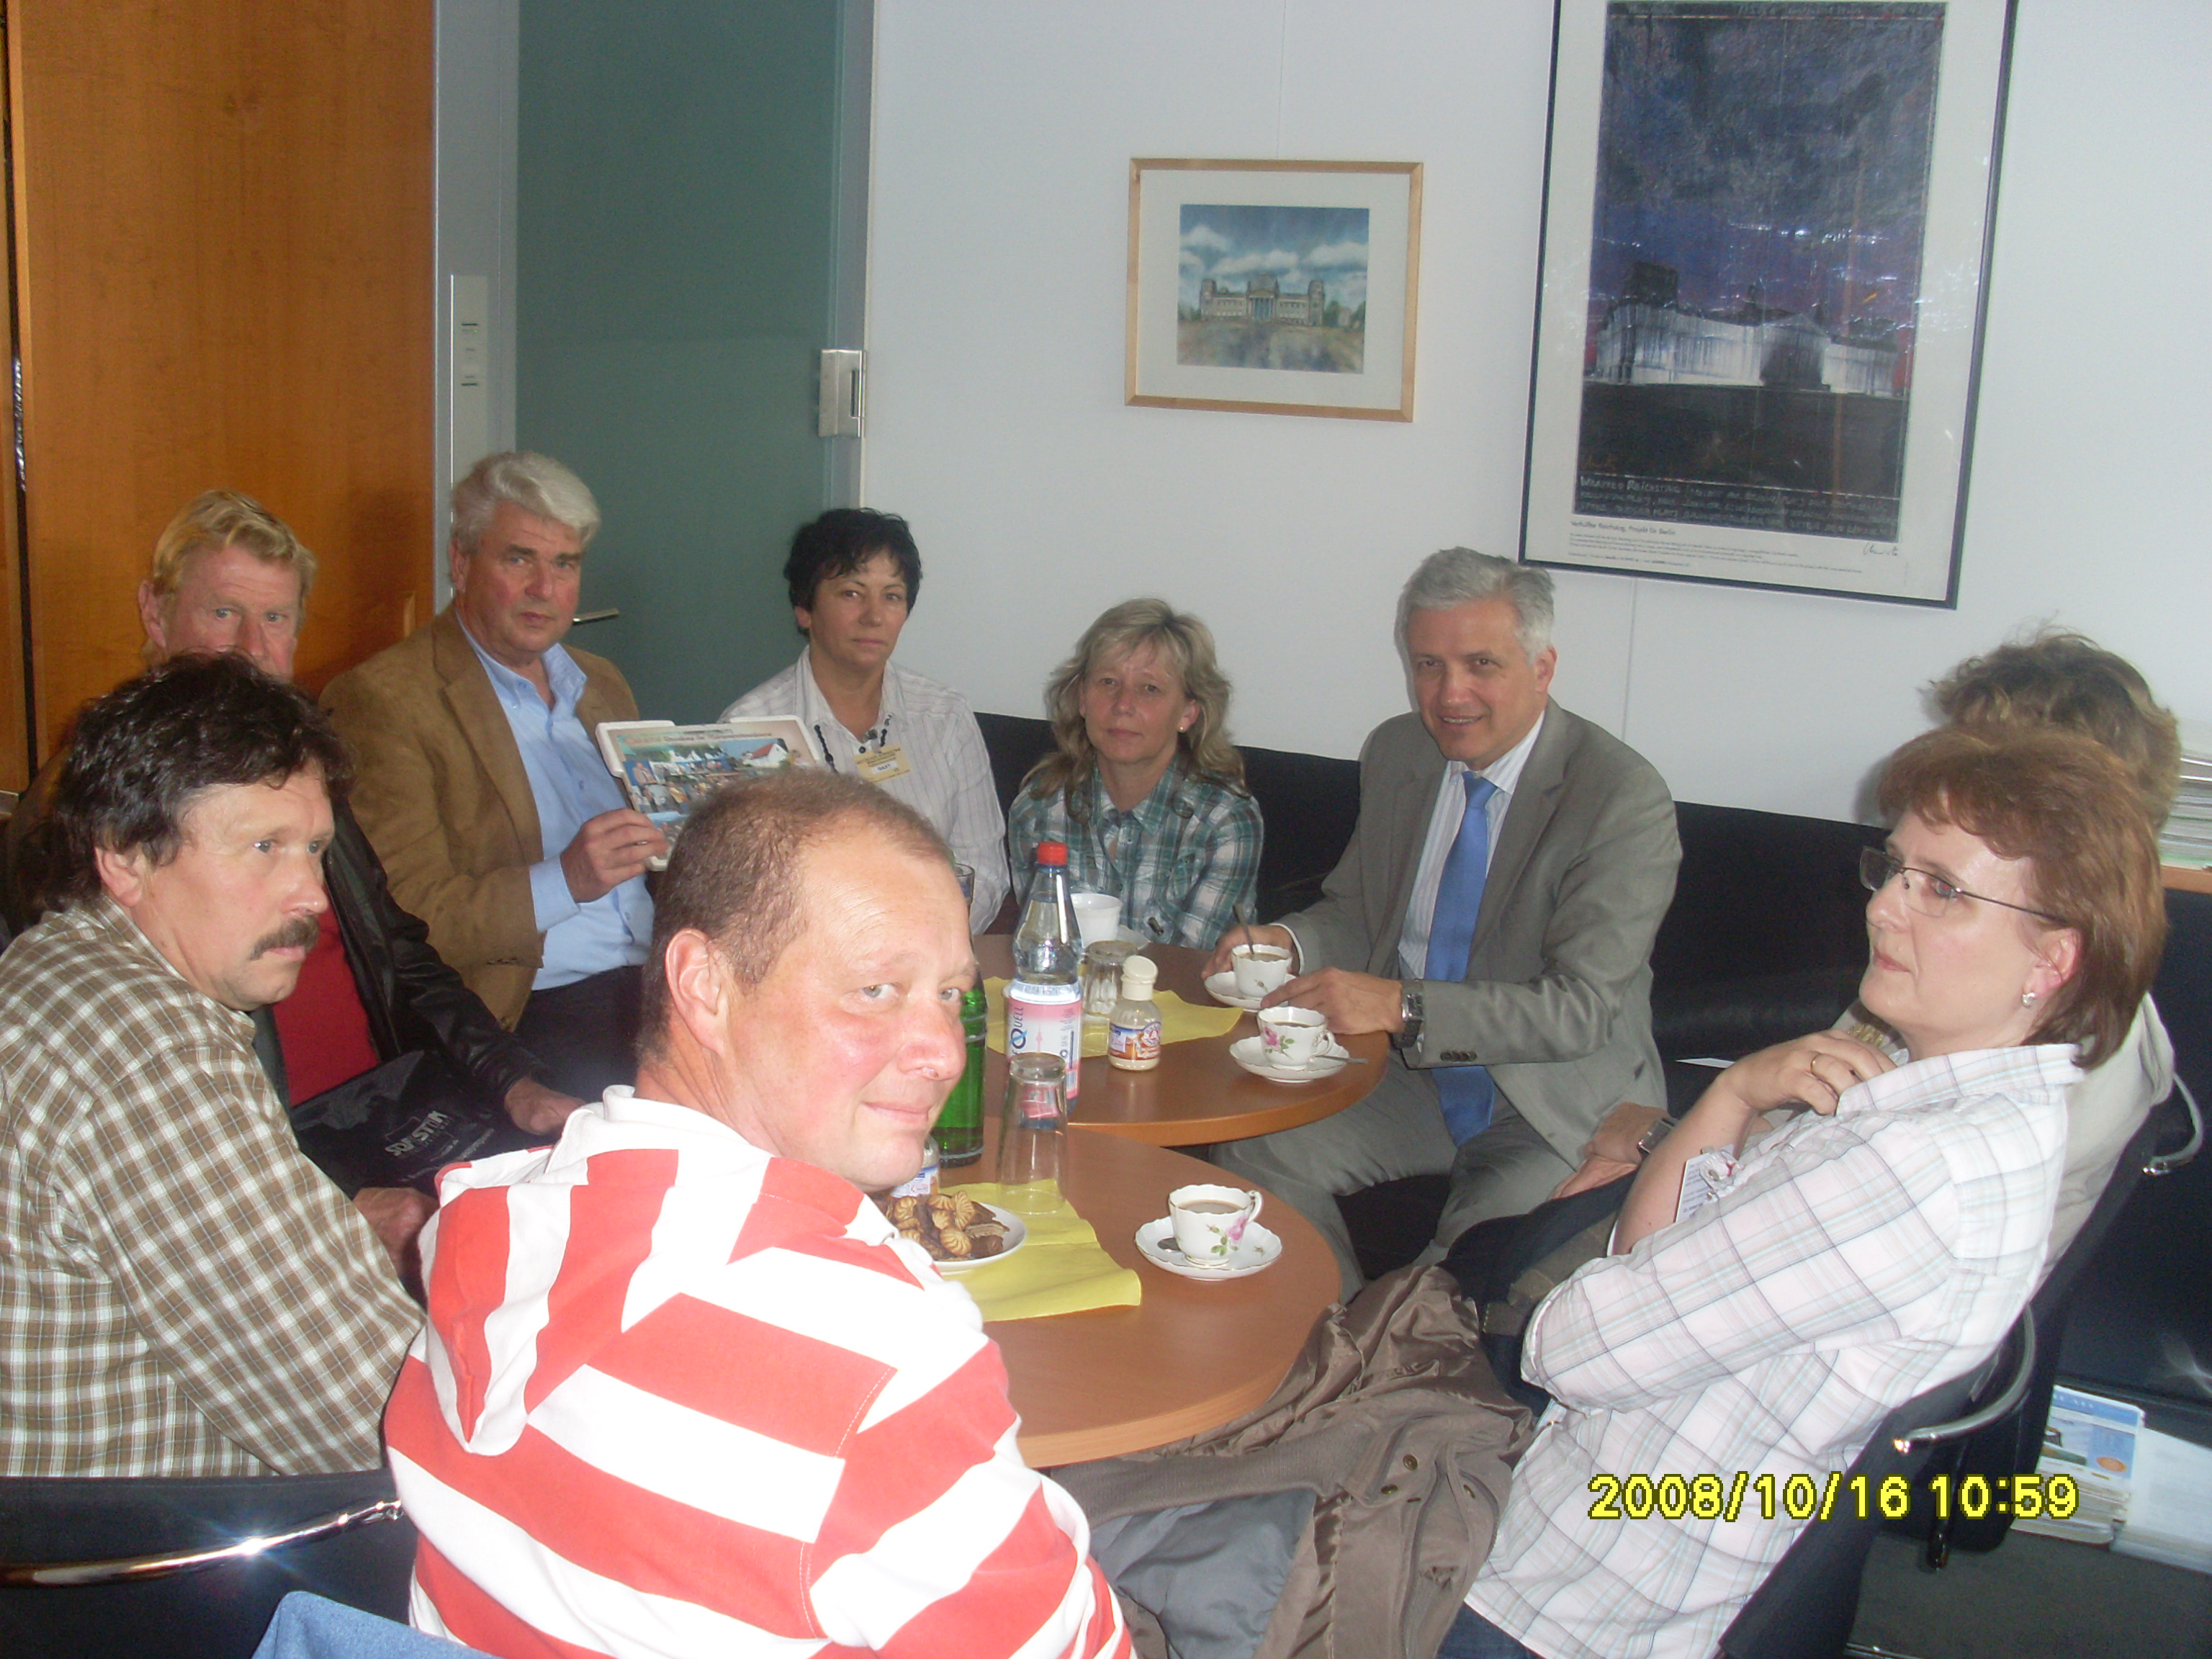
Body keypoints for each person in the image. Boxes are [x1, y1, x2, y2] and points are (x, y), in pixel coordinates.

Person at [1451, 725, 2165, 1659]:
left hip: (1558, 1598)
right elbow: (1639, 1261)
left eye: (1943, 891)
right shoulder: (1969, 1110)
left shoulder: (1909, 1171)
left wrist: (1618, 1290)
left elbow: (1566, 1350)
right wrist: (1738, 1089)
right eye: (1895, 869)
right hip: (1620, 1543)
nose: (1884, 911)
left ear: (2053, 963)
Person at [384, 770, 1129, 1658]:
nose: (942, 1053)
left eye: (950, 994)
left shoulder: (491, 1218)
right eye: (875, 990)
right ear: (704, 985)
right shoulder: (880, 1354)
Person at [0, 490, 580, 1192]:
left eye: (275, 618)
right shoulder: (95, 809)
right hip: (266, 1159)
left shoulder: (298, 778)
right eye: (224, 613)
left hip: (393, 1113)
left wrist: (512, 1082)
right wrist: (328, 1206)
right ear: (155, 613)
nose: (252, 646)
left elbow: (403, 953)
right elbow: (117, 1092)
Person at [1556, 628, 2180, 1262]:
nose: (1884, 909)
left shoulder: (2024, 1093)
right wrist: (1699, 1138)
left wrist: (1665, 1146)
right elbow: (1810, 1130)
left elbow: (1790, 1227)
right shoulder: (1997, 982)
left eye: (1985, 763)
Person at [1207, 549, 1678, 1295]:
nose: (1450, 694)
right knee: (1255, 1153)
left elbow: (1580, 1009)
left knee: (1462, 1274)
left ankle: (1378, 1376)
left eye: (1481, 664)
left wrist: (1400, 1005)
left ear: (1543, 667)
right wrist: (1287, 941)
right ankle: (1322, 1351)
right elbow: (1363, 910)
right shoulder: (1399, 752)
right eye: (1428, 665)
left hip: (1551, 1098)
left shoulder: (1620, 798)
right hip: (1412, 1077)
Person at [0, 656, 423, 1476]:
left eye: (315, 849)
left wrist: (337, 1242)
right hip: (141, 1577)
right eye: (263, 847)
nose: (312, 895)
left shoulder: (55, 960)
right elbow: (382, 1422)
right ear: (125, 855)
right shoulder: (153, 1054)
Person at [325, 452, 667, 1102]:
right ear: (461, 563)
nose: (545, 587)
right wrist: (566, 880)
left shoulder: (602, 684)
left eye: (564, 564)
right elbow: (403, 922)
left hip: (659, 992)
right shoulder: (385, 699)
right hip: (525, 1013)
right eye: (519, 559)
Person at [721, 507, 1010, 930]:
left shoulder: (945, 715)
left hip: (931, 952)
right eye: (852, 593)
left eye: (891, 596)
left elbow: (983, 866)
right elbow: (746, 889)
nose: (874, 616)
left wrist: (926, 944)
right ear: (805, 609)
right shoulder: (750, 729)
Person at [1007, 598, 1261, 949]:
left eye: (1149, 688)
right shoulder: (1039, 808)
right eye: (1108, 682)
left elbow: (1193, 970)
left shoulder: (1222, 822)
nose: (1123, 704)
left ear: (1188, 713)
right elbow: (1043, 949)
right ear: (1082, 699)